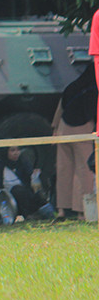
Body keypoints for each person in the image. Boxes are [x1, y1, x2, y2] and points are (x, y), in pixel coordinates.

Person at [52, 60, 97, 219]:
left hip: (64, 129)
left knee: (64, 169)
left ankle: (62, 210)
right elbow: (92, 113)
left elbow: (61, 106)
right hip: (82, 131)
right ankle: (81, 211)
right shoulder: (94, 89)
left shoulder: (73, 86)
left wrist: (55, 128)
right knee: (83, 170)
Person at [0, 146, 56, 221]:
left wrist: (35, 176)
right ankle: (27, 215)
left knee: (38, 196)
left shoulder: (23, 163)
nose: (16, 153)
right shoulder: (0, 166)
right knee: (17, 190)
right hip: (10, 199)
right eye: (12, 150)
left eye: (18, 150)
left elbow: (30, 181)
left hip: (27, 195)